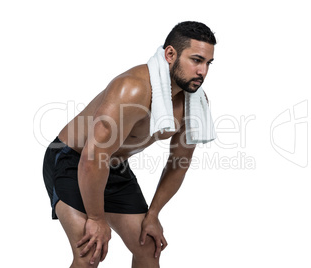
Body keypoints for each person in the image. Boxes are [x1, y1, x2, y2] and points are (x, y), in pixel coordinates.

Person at [43, 21, 216, 268]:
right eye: (196, 60)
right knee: (90, 252)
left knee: (148, 247)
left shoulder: (194, 104)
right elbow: (92, 157)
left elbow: (179, 164)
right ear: (170, 54)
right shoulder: (133, 89)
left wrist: (153, 214)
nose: (203, 71)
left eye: (208, 63)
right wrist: (96, 217)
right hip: (74, 160)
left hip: (113, 165)